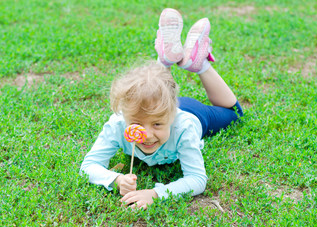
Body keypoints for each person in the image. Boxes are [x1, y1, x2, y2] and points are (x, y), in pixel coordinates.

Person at [80, 8, 243, 209]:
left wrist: (156, 193)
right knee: (155, 91)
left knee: (234, 113)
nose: (147, 135)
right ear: (125, 116)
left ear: (172, 115)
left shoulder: (183, 127)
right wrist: (116, 179)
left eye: (157, 124)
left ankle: (200, 65)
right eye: (137, 123)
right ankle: (165, 59)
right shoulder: (117, 125)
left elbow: (197, 179)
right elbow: (88, 166)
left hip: (194, 113)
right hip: (159, 103)